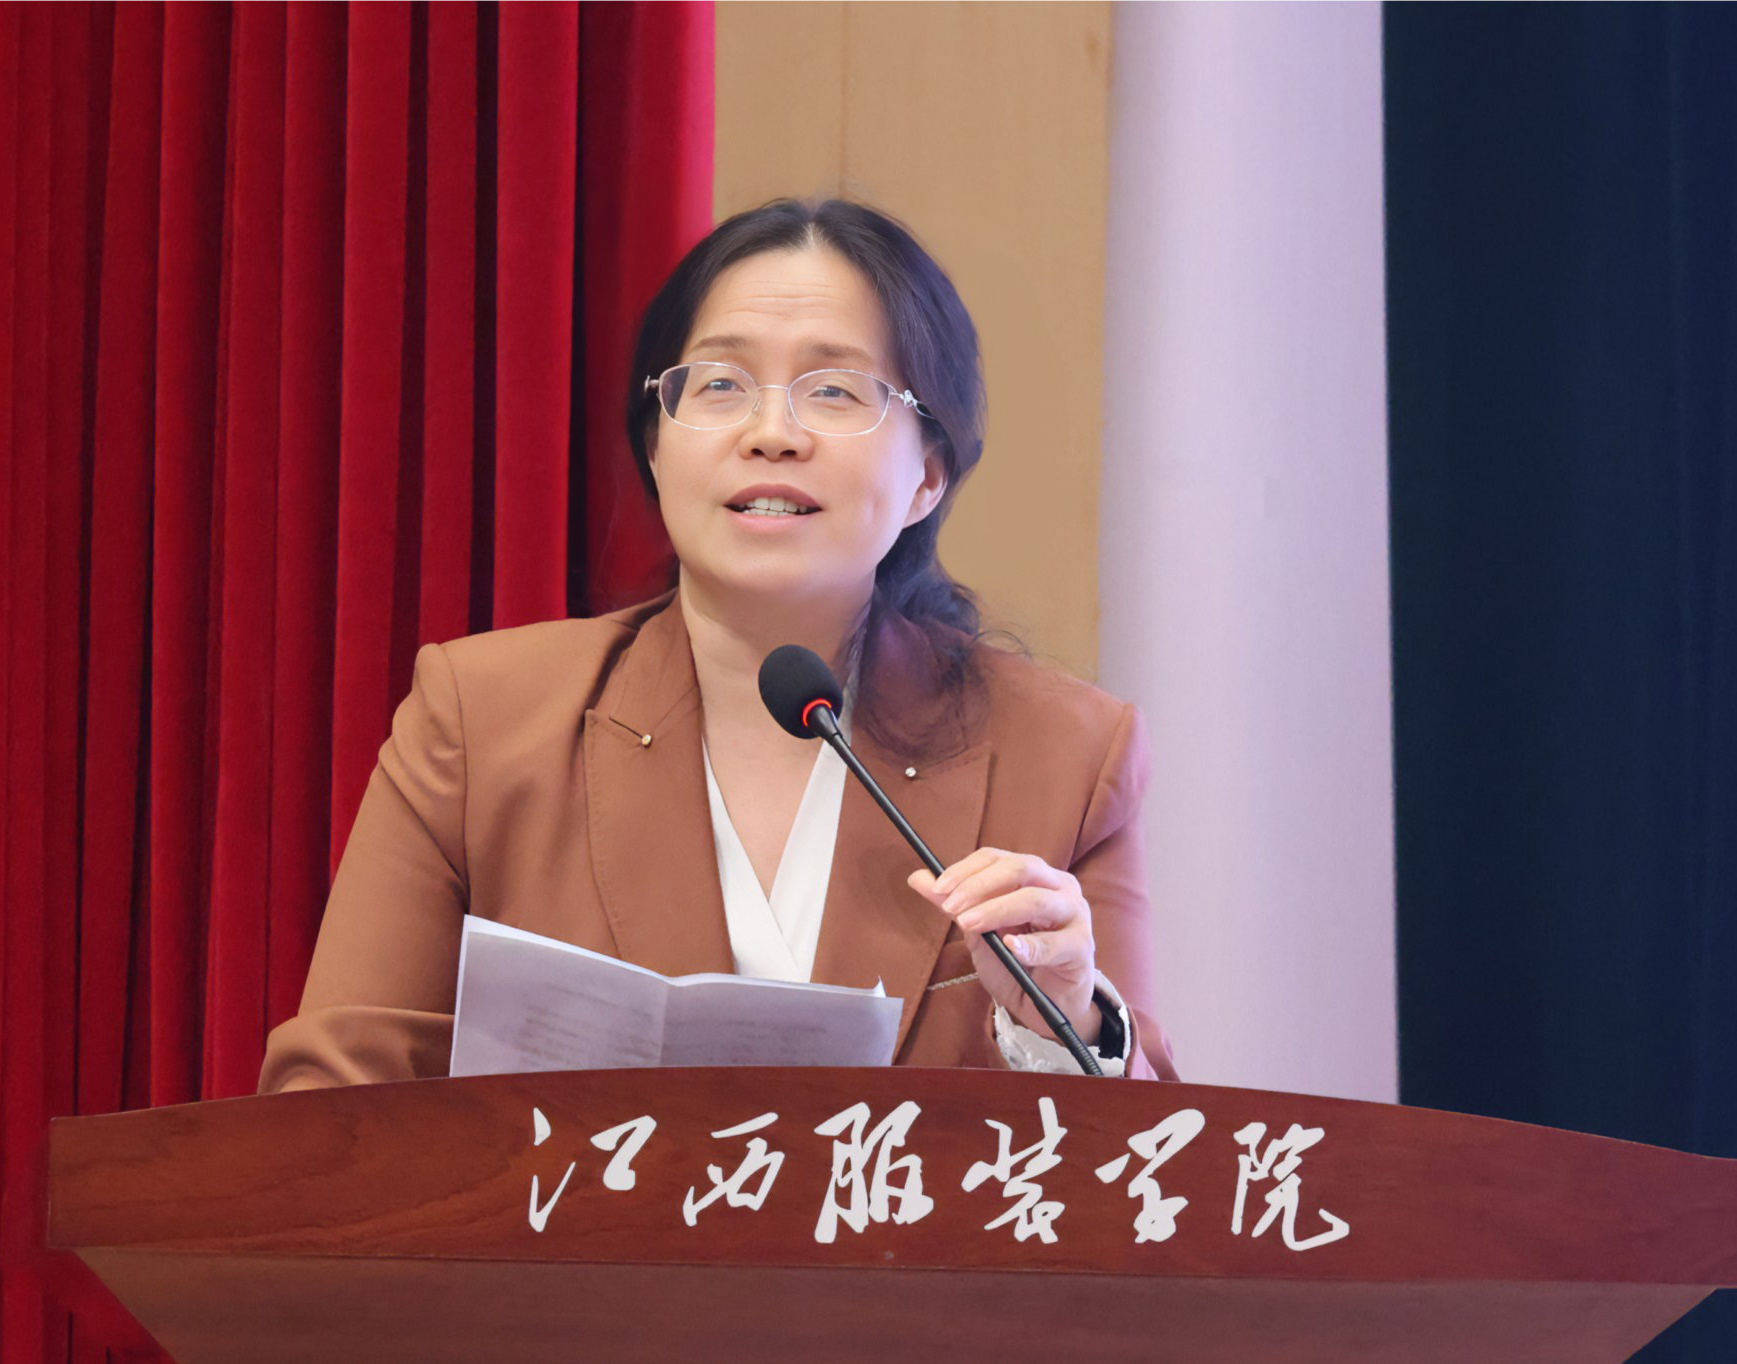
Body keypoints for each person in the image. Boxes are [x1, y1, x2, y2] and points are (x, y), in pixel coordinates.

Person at [257, 199, 1176, 1092]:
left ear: (927, 476)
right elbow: (327, 1106)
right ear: (658, 448)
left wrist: (1067, 1020)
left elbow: (1159, 1160)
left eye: (833, 391)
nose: (771, 435)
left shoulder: (1064, 758)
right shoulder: (482, 722)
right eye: (721, 385)